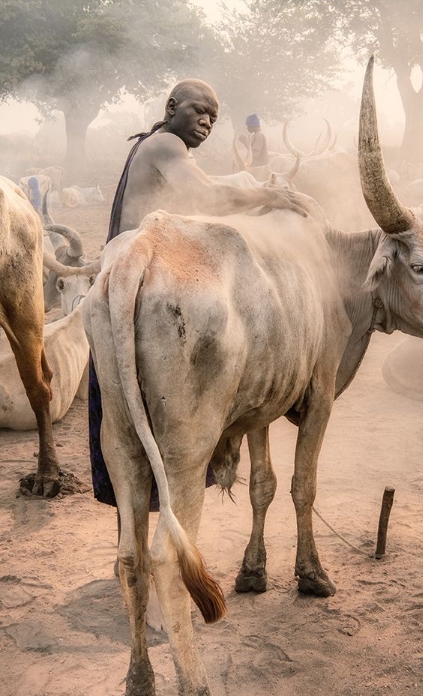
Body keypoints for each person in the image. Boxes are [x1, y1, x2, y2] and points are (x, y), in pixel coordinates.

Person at [89, 78, 309, 521]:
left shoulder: (157, 146)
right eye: (199, 111)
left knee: (127, 422)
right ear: (172, 107)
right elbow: (204, 195)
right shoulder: (167, 144)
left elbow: (203, 187)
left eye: (214, 117)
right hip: (145, 278)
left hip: (119, 285)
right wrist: (270, 195)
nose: (207, 121)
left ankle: (132, 542)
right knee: (165, 422)